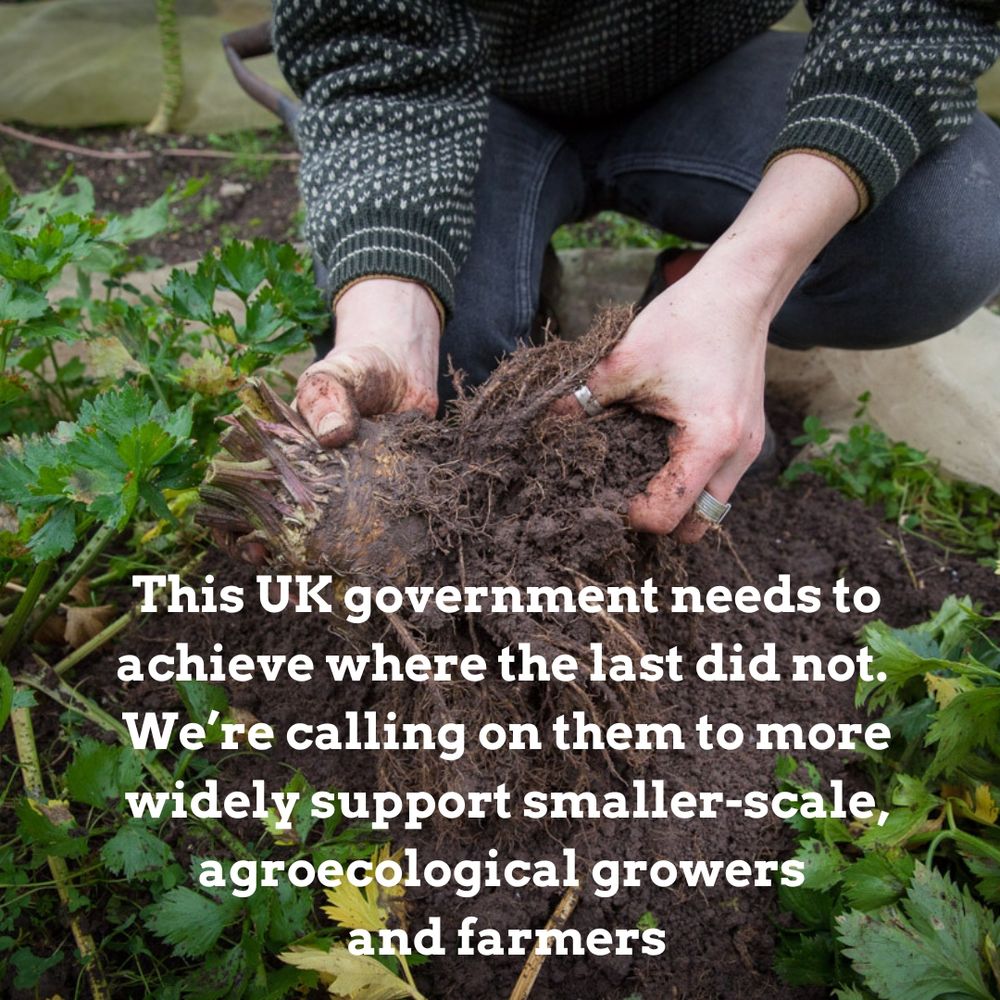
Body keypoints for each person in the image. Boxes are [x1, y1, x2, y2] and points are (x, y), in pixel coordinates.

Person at [272, 1, 1000, 542]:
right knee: (444, 402)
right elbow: (371, 49)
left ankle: (695, 297)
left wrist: (742, 290)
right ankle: (515, 281)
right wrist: (392, 313)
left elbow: (919, 18)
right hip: (464, 102)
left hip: (702, 79)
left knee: (950, 227)